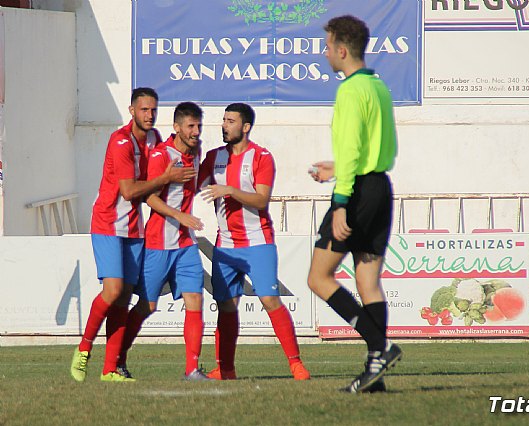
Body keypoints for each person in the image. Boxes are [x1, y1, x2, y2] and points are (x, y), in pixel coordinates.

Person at [70, 88, 195, 382]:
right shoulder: (120, 141)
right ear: (131, 111)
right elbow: (129, 191)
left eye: (153, 110)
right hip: (108, 223)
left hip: (135, 228)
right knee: (113, 291)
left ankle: (110, 369)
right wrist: (166, 178)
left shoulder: (155, 140)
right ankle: (84, 348)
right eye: (144, 110)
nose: (150, 115)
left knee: (125, 297)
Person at [306, 15, 402, 393]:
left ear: (342, 51)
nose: (324, 52)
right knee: (368, 282)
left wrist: (341, 201)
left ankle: (380, 346)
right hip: (380, 184)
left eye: (327, 46)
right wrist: (340, 168)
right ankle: (375, 373)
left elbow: (350, 147)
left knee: (318, 277)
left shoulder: (348, 91)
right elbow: (374, 148)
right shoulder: (378, 86)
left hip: (357, 194)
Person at [198, 102, 310, 381]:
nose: (224, 125)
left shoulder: (261, 157)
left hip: (258, 242)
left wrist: (230, 190)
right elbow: (191, 186)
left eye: (231, 120)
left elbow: (261, 199)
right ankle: (226, 369)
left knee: (270, 299)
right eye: (223, 119)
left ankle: (296, 364)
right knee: (226, 305)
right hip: (225, 245)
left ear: (245, 127)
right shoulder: (213, 158)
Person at [118, 102, 209, 381]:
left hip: (185, 244)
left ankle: (192, 369)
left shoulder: (196, 153)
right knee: (148, 306)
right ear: (177, 127)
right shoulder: (161, 155)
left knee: (195, 298)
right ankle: (117, 358)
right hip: (158, 242)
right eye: (191, 126)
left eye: (199, 126)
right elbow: (149, 197)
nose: (196, 131)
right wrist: (179, 215)